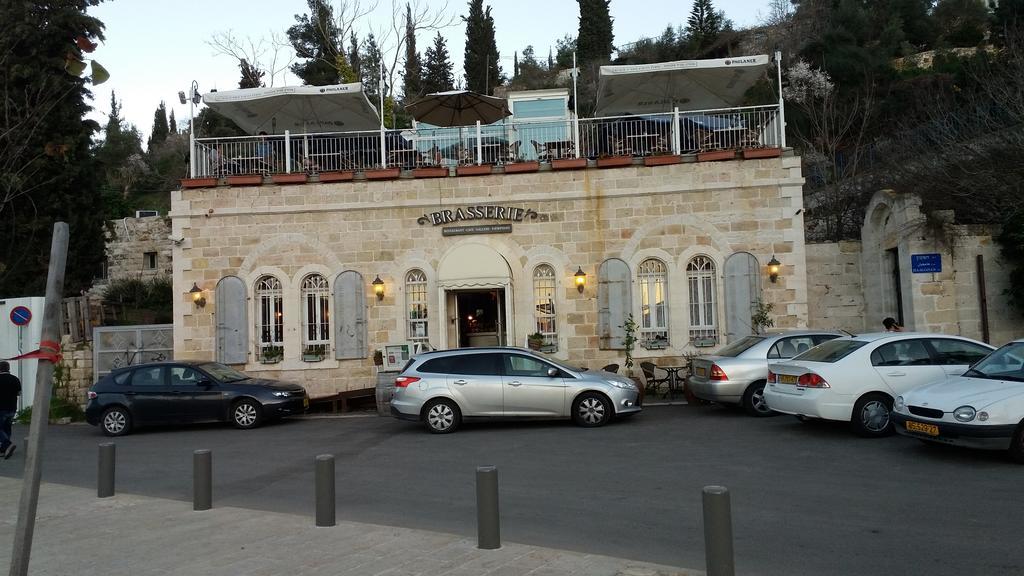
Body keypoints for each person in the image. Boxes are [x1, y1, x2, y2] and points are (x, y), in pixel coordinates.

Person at [0, 361, 22, 460]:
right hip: (12, 408)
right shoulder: (15, 379)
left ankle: (7, 444)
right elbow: (19, 393)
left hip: (1, 408)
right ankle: (5, 449)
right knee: (7, 428)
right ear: (8, 368)